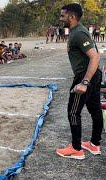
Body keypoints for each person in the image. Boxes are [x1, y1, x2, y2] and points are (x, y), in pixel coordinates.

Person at [56, 3, 103, 160]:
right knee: (95, 109)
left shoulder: (79, 33)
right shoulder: (77, 31)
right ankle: (94, 145)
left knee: (73, 111)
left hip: (85, 75)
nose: (60, 18)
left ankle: (77, 149)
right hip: (93, 74)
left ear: (72, 17)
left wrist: (84, 82)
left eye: (63, 15)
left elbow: (95, 56)